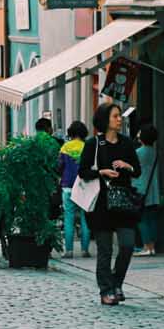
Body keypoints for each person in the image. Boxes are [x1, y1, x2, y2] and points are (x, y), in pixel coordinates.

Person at [78, 101, 141, 305]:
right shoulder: (93, 144)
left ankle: (116, 282)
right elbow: (83, 172)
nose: (119, 119)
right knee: (105, 250)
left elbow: (137, 170)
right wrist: (101, 172)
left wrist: (127, 165)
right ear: (105, 120)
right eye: (115, 116)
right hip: (101, 205)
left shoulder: (127, 143)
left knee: (127, 245)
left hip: (123, 202)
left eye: (119, 116)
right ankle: (106, 291)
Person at [57, 121, 92, 258]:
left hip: (68, 187)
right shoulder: (87, 147)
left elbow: (59, 166)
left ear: (70, 133)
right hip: (84, 186)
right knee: (85, 218)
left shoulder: (65, 147)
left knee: (69, 218)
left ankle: (69, 250)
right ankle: (85, 250)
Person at [135, 122, 163, 256]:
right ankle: (152, 247)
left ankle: (146, 247)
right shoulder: (154, 152)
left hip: (142, 189)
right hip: (153, 189)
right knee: (152, 219)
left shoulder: (139, 152)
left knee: (142, 219)